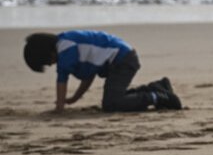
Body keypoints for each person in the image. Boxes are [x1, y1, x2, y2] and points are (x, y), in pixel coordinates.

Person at [23, 30, 182, 113]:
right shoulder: (68, 42)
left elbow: (62, 79)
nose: (52, 65)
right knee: (114, 98)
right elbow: (88, 77)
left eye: (48, 62)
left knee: (112, 103)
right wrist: (73, 99)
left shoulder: (66, 49)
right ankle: (157, 86)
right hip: (121, 58)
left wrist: (60, 106)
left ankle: (158, 97)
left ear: (49, 53)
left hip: (122, 60)